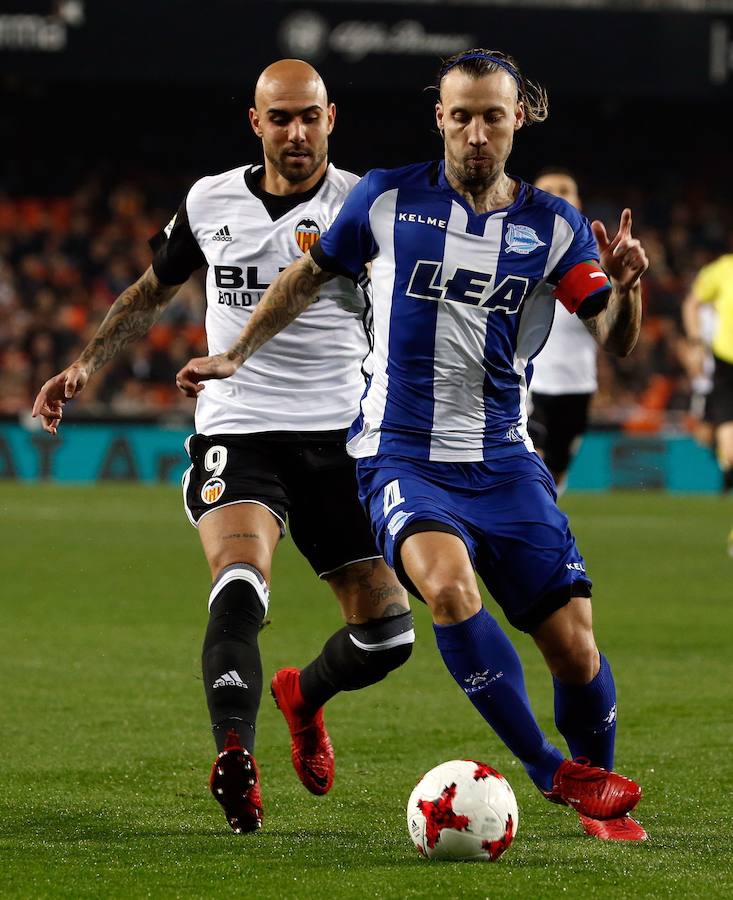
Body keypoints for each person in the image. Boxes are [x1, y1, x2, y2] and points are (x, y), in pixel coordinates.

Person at [176, 48, 651, 843]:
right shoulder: (387, 197)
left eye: (490, 117)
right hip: (401, 456)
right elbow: (308, 273)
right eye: (459, 115)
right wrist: (236, 354)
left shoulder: (552, 226)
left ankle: (600, 787)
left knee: (574, 649)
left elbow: (615, 337)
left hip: (504, 459)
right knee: (448, 590)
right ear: (440, 118)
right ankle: (548, 770)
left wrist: (628, 289)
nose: (473, 133)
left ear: (516, 121)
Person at [32, 59, 413, 834]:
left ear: (330, 118)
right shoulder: (209, 200)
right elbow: (151, 289)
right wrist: (84, 364)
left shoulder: (365, 204)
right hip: (238, 429)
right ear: (256, 123)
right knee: (240, 579)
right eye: (281, 118)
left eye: (309, 116)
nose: (296, 132)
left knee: (388, 635)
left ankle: (302, 696)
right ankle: (235, 757)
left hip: (342, 439)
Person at [528, 168, 598, 491]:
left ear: (578, 201)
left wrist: (625, 289)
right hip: (529, 382)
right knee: (532, 468)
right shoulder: (512, 245)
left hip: (578, 384)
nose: (557, 194)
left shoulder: (596, 256)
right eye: (549, 189)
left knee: (555, 475)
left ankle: (541, 534)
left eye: (565, 189)